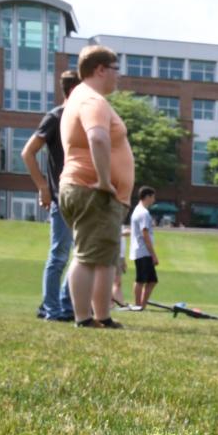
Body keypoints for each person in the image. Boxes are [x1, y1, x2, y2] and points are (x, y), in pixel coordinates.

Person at [58, 45, 134, 329]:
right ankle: (84, 318)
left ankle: (101, 316)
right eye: (116, 70)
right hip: (92, 189)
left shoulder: (78, 97)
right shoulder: (92, 100)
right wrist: (104, 181)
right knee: (88, 255)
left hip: (82, 186)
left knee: (102, 256)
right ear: (100, 69)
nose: (119, 77)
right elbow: (98, 138)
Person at [22, 70, 81, 322]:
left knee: (80, 256)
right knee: (59, 255)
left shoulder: (80, 119)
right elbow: (28, 153)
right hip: (61, 198)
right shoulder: (55, 117)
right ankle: (51, 309)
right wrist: (43, 187)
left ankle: (66, 307)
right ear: (74, 90)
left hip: (80, 197)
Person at [130, 186, 159, 308]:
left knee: (152, 280)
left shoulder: (137, 210)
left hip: (141, 251)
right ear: (147, 197)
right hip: (143, 251)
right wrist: (153, 255)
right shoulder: (143, 213)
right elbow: (145, 234)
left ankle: (142, 304)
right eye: (153, 197)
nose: (154, 200)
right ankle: (138, 305)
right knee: (141, 279)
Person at [112, 226, 129, 308]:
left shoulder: (119, 221)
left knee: (117, 283)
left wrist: (124, 259)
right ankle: (116, 303)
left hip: (120, 256)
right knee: (116, 282)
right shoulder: (112, 219)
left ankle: (120, 303)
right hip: (115, 255)